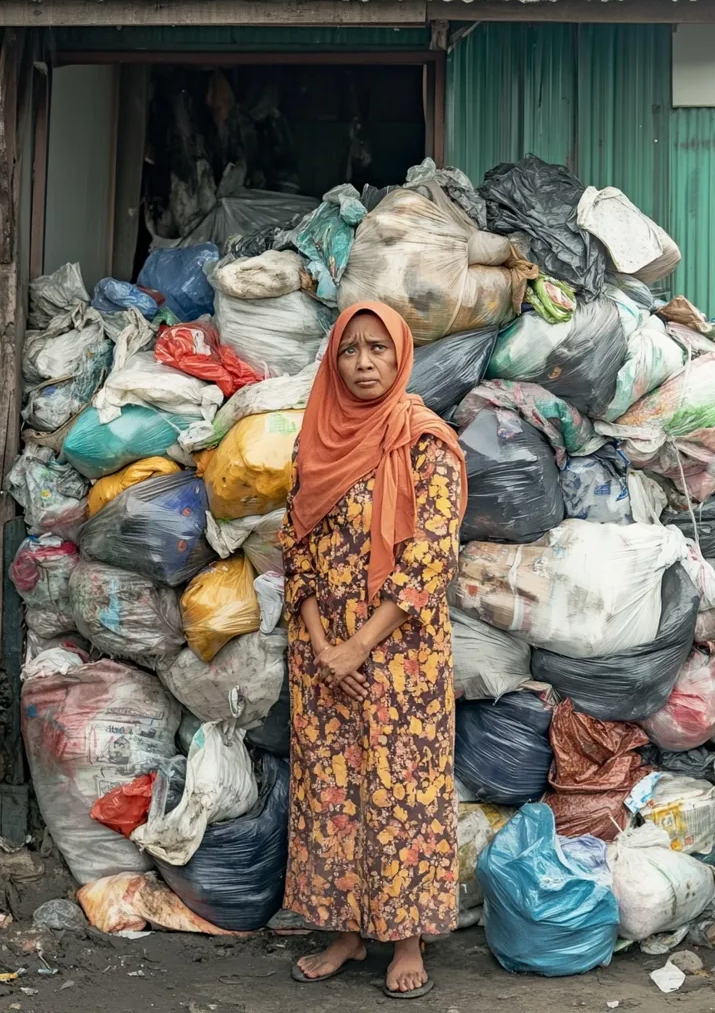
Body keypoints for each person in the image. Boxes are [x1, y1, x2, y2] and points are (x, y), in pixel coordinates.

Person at [279, 301, 467, 999]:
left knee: (401, 791)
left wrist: (360, 646)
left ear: (400, 357)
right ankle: (345, 932)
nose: (363, 364)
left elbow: (429, 559)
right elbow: (293, 545)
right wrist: (327, 647)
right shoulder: (316, 439)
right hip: (321, 655)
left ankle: (406, 939)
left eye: (377, 350)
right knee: (330, 792)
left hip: (399, 656)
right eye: (350, 350)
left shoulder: (426, 443)